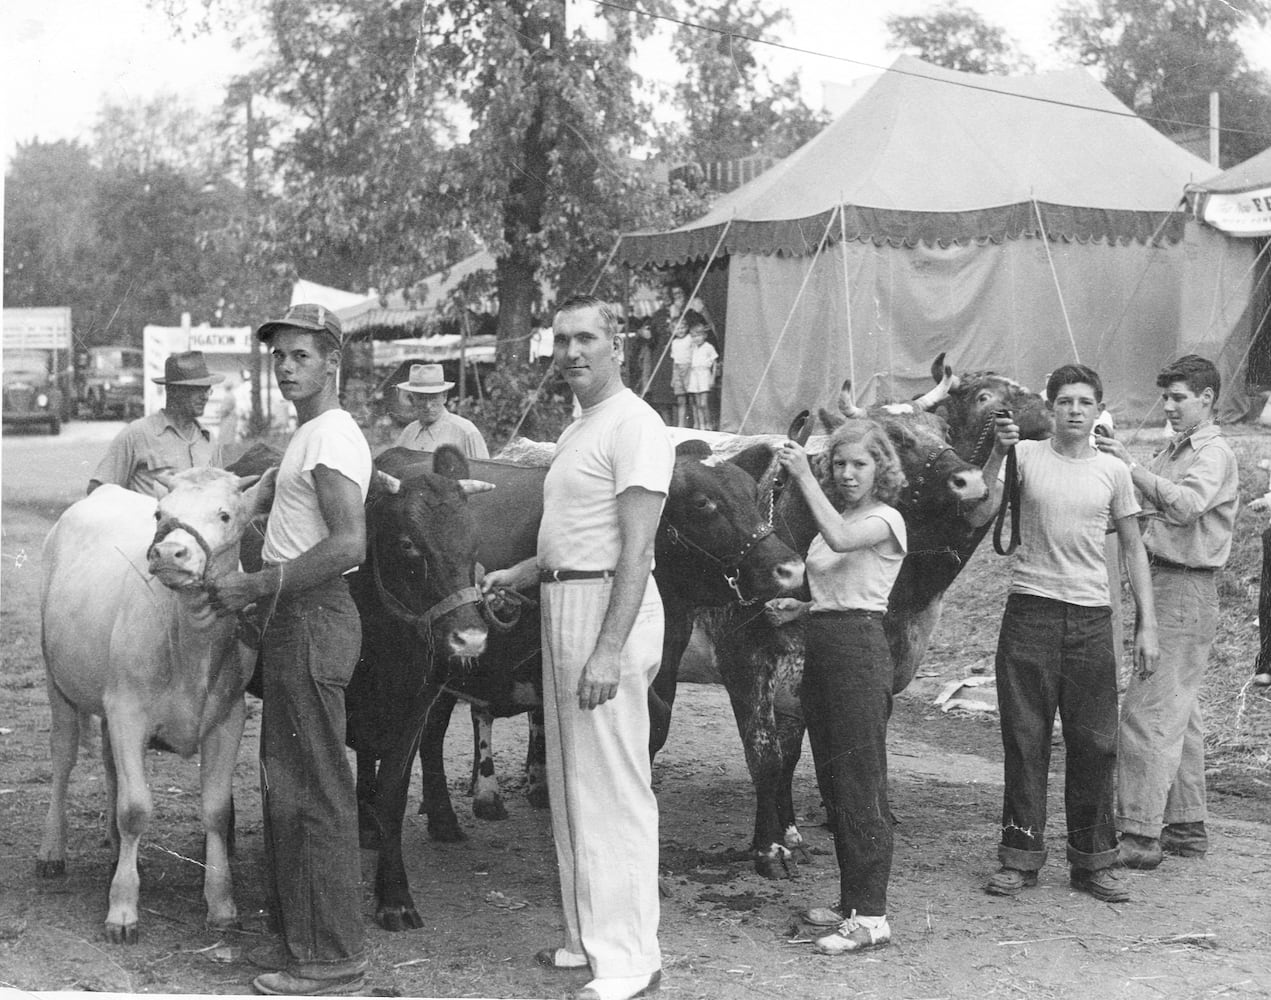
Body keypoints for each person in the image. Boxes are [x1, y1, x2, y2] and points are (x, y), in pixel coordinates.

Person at [480, 294, 672, 1000]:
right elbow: (574, 536)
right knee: (570, 786)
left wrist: (607, 649)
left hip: (606, 610)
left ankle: (629, 959)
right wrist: (522, 573)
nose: (571, 352)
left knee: (613, 788)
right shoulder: (579, 427)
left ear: (616, 346)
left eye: (586, 338)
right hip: (564, 599)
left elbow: (637, 549)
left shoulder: (636, 425)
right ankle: (585, 937)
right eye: (560, 340)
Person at [206, 303, 372, 997]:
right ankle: (303, 941)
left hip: (311, 614)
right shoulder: (309, 435)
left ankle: (331, 958)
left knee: (314, 789)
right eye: (279, 357)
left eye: (301, 356)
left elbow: (347, 544)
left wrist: (256, 584)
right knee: (290, 785)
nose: (287, 368)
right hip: (292, 617)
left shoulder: (331, 436)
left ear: (333, 361)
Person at [975, 363, 1158, 903]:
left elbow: (1133, 550)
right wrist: (994, 452)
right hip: (1029, 613)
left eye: (1085, 402)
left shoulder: (1113, 471)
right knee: (1025, 740)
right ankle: (1020, 857)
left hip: (1090, 620)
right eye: (1065, 402)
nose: (1075, 410)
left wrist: (1147, 624)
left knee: (1095, 743)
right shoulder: (1024, 456)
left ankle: (1093, 861)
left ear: (1097, 409)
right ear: (1050, 409)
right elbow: (982, 505)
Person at [769, 420, 907, 956]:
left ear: (882, 470)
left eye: (860, 465)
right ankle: (853, 904)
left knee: (860, 783)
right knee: (834, 784)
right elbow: (842, 585)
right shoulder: (844, 515)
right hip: (825, 645)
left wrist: (802, 474)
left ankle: (872, 915)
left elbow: (843, 545)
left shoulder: (882, 518)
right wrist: (801, 606)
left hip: (858, 652)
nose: (847, 474)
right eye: (840, 464)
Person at [1094, 355, 1238, 867]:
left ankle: (1137, 834)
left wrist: (1130, 466)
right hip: (1166, 584)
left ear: (1207, 398)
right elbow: (1141, 493)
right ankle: (1186, 825)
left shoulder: (1213, 452)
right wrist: (1115, 457)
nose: (1171, 406)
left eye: (1180, 398)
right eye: (1168, 397)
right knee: (1182, 711)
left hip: (1185, 588)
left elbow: (1183, 505)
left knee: (1147, 710)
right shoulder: (1178, 448)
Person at [87, 350, 224, 498]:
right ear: (173, 390)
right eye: (197, 390)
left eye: (207, 390)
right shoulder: (137, 434)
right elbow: (97, 492)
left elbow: (219, 499)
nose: (204, 397)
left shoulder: (209, 440)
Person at [392, 362, 489, 459]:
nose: (428, 405)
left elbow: (484, 471)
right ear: (412, 399)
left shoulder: (466, 432)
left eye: (433, 398)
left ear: (444, 397)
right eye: (422, 398)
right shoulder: (409, 432)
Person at [686, 319, 718, 432]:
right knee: (697, 402)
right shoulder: (692, 348)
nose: (697, 338)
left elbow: (715, 363)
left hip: (704, 374)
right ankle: (701, 424)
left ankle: (709, 423)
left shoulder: (708, 347)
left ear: (704, 335)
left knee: (704, 403)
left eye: (699, 335)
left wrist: (712, 377)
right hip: (694, 375)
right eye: (694, 336)